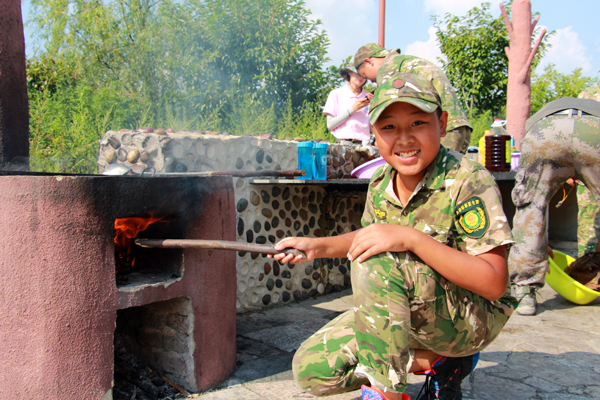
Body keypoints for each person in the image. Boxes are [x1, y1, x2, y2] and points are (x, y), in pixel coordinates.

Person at [272, 72, 516, 400]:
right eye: (388, 127)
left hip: (469, 316)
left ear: (442, 124)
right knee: (313, 369)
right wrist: (317, 247)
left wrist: (411, 238)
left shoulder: (468, 180)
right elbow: (374, 235)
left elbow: (493, 282)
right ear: (373, 133)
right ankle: (435, 361)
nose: (403, 139)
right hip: (411, 306)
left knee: (377, 264)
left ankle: (384, 391)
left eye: (417, 123)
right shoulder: (381, 182)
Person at [509, 96, 600, 316]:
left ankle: (523, 292)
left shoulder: (546, 111)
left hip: (546, 130)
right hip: (594, 130)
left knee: (531, 207)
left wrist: (535, 245)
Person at [352, 43, 472, 154]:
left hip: (442, 130)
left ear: (368, 62)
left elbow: (390, 110)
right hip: (458, 124)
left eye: (365, 75)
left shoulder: (388, 68)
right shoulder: (404, 61)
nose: (372, 81)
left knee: (432, 175)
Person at [323, 61, 374, 143]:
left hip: (364, 144)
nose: (361, 77)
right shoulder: (336, 94)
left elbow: (372, 129)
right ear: (349, 72)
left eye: (364, 75)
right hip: (342, 144)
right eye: (358, 73)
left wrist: (373, 108)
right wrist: (353, 109)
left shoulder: (370, 97)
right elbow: (330, 125)